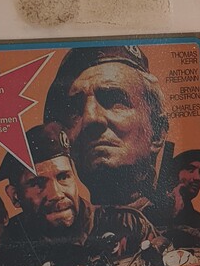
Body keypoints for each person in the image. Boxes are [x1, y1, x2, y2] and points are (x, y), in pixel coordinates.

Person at [0, 122, 164, 266]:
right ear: (15, 196)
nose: (56, 194)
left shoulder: (127, 224)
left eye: (63, 177)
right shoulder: (5, 245)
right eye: (38, 183)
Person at [42, 45, 169, 212]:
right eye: (75, 110)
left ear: (157, 133)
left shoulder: (190, 227)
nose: (90, 118)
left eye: (114, 100)